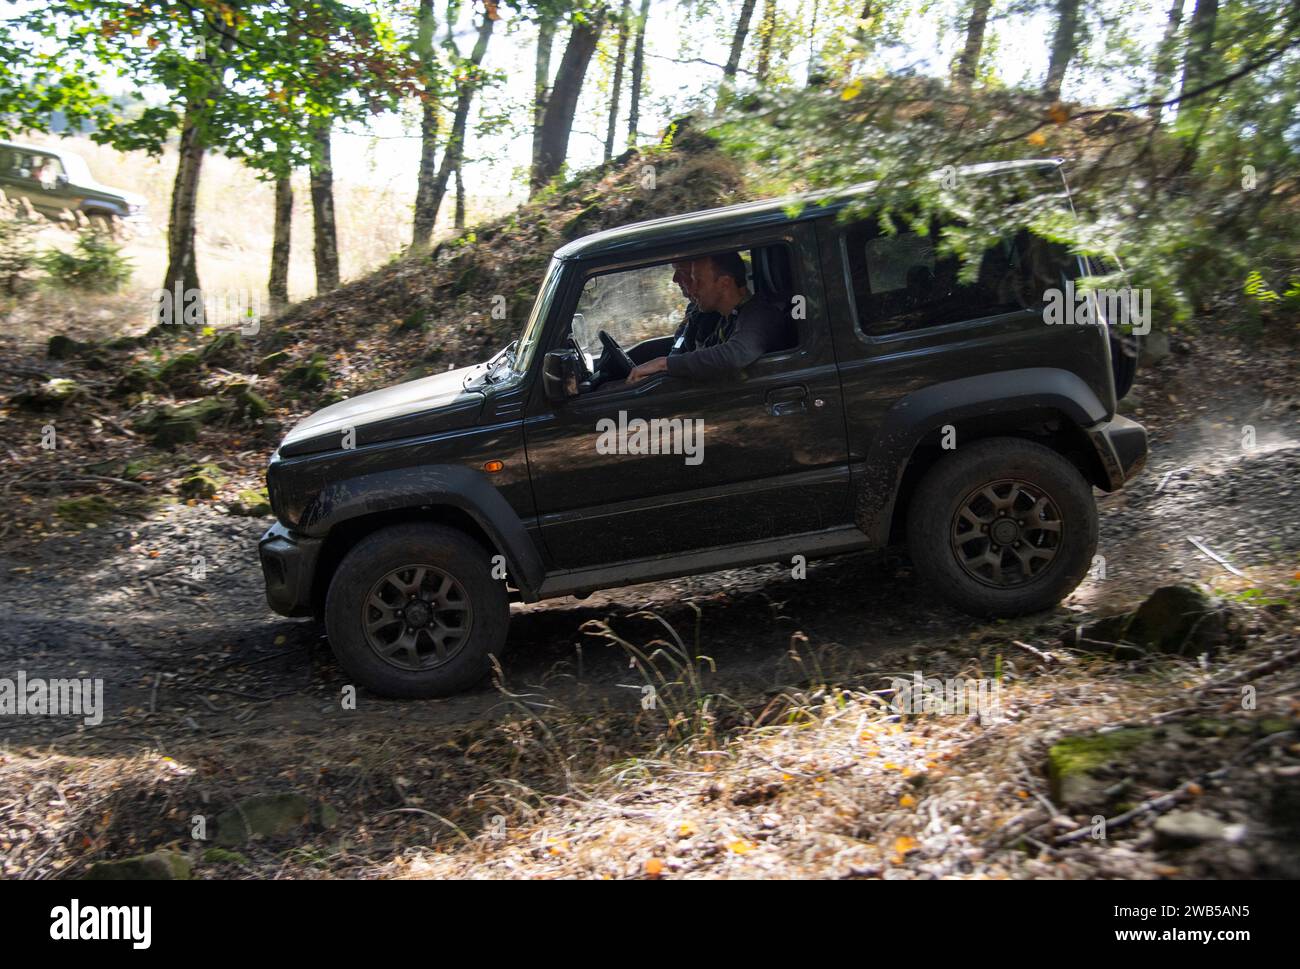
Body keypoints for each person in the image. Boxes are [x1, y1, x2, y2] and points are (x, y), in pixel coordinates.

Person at [627, 252, 790, 384]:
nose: (693, 288)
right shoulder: (726, 318)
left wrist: (664, 364)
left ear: (724, 283)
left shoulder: (759, 314)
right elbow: (703, 352)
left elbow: (735, 354)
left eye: (698, 281)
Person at [667, 258, 721, 355]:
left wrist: (665, 365)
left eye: (681, 271)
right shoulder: (693, 308)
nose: (675, 279)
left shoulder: (713, 313)